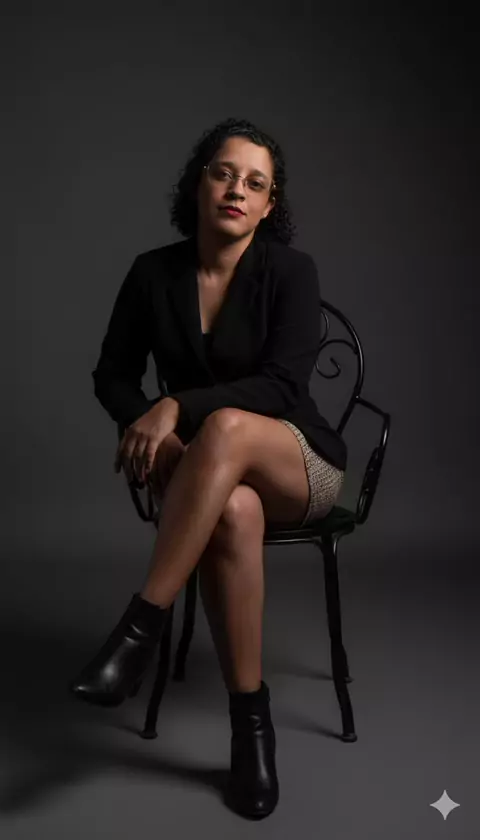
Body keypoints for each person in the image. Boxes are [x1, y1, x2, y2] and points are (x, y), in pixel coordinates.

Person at [69, 116, 347, 819]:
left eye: (255, 183)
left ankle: (141, 628)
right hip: (205, 475)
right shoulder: (153, 273)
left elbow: (281, 388)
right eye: (224, 173)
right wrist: (152, 426)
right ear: (199, 183)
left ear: (269, 204)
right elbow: (111, 375)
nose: (236, 190)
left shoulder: (291, 272)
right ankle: (251, 727)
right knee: (233, 511)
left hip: (297, 462)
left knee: (223, 427)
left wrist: (174, 408)